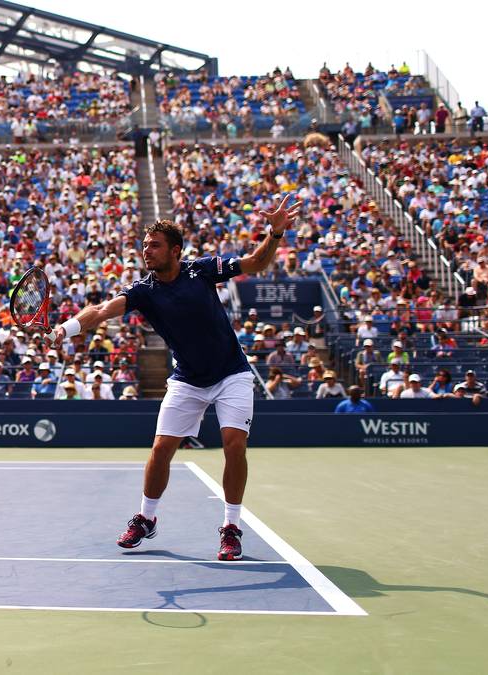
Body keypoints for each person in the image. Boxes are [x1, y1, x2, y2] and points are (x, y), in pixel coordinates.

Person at [47, 197, 301, 561]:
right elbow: (102, 311)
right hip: (186, 379)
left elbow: (257, 262)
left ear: (175, 251)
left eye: (154, 246)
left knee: (233, 444)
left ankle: (231, 528)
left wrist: (275, 232)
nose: (146, 252)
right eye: (145, 246)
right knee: (161, 449)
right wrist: (66, 328)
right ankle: (146, 519)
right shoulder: (143, 290)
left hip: (232, 373)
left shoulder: (202, 269)